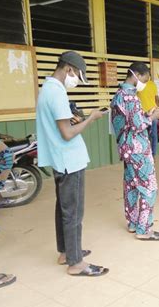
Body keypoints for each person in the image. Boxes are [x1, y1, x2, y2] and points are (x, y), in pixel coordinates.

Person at [36, 51, 108, 276]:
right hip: (69, 160)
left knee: (64, 208)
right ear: (68, 69)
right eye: (77, 74)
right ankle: (75, 263)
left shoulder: (47, 89)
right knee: (73, 212)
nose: (76, 79)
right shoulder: (56, 93)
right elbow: (67, 133)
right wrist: (91, 118)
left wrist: (75, 116)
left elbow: (62, 124)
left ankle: (66, 251)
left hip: (60, 159)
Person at [110, 62, 159, 241]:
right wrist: (154, 116)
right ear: (136, 74)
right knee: (149, 187)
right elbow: (137, 125)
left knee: (131, 186)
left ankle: (133, 222)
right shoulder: (131, 97)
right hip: (138, 148)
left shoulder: (118, 95)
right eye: (145, 78)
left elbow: (127, 121)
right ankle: (143, 229)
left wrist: (146, 114)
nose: (145, 82)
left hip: (126, 147)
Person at [137, 68, 159, 156]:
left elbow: (156, 99)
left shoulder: (152, 84)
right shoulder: (139, 85)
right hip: (142, 115)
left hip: (152, 114)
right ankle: (147, 155)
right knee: (147, 136)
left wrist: (157, 110)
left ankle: (152, 155)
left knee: (152, 136)